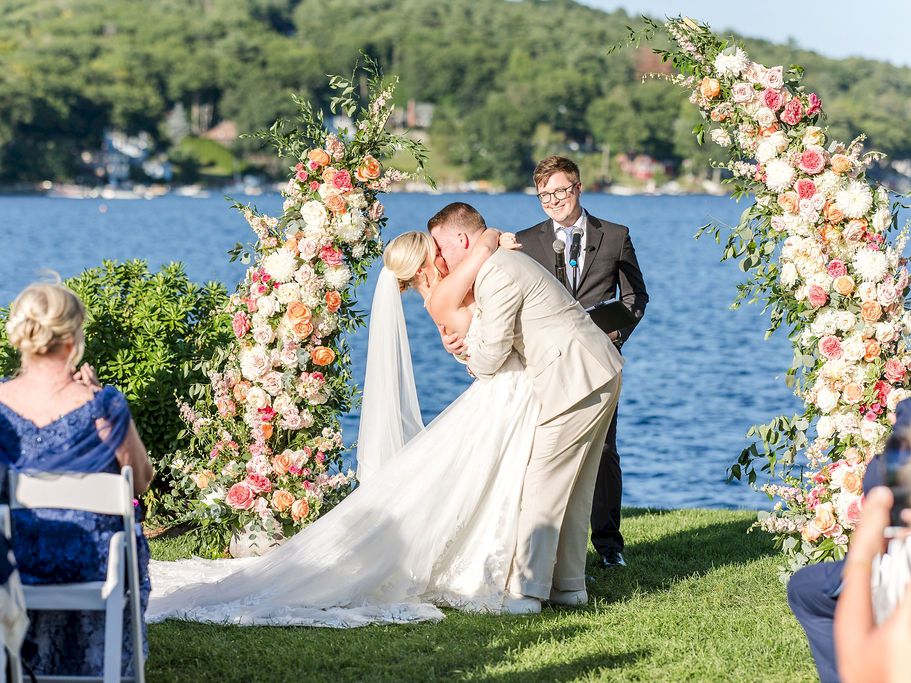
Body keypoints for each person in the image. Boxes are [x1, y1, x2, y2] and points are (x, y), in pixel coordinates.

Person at [147, 227, 544, 625]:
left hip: (502, 390)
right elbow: (483, 342)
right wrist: (490, 240)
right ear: (426, 265)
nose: (445, 256)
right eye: (437, 251)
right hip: (504, 387)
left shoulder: (441, 294)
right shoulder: (443, 294)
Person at [429, 201, 624, 613]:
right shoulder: (502, 261)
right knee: (573, 488)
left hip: (574, 379)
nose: (442, 259)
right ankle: (569, 588)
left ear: (462, 239)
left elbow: (493, 353)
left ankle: (527, 592)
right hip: (595, 370)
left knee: (543, 486)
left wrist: (467, 356)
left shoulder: (496, 273)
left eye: (442, 248)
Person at [0, 280, 154, 677]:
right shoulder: (102, 404)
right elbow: (140, 480)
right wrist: (104, 406)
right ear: (72, 338)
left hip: (13, 561)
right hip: (95, 565)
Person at [514, 156, 648, 568]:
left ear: (578, 187)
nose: (554, 200)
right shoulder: (525, 241)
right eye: (544, 195)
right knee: (540, 448)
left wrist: (615, 334)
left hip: (599, 360)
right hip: (547, 363)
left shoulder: (615, 236)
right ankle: (540, 542)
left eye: (561, 191)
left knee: (604, 451)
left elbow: (635, 297)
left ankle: (609, 547)